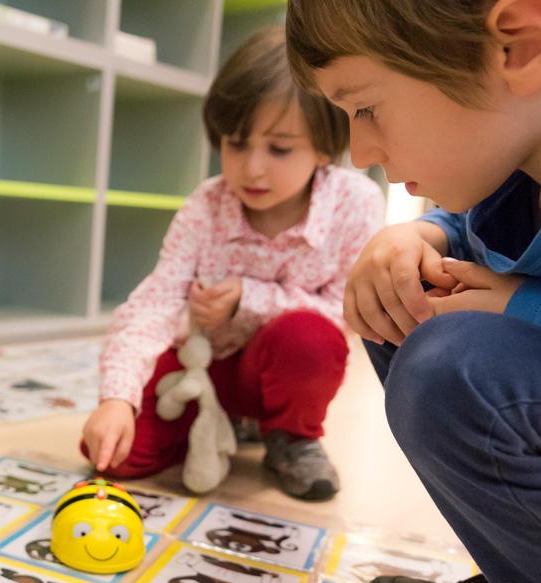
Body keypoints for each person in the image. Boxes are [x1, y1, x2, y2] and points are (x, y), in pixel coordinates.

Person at [286, 0, 541, 583]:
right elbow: (487, 224)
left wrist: (528, 309)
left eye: (366, 108)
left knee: (453, 368)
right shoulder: (539, 153)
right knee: (403, 301)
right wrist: (425, 232)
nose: (362, 151)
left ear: (519, 47)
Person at [80, 26, 385, 501]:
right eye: (236, 143)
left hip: (285, 374)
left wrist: (250, 296)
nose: (252, 168)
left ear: (325, 146)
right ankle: (226, 422)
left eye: (279, 148)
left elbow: (348, 315)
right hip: (205, 370)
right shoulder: (207, 203)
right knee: (113, 452)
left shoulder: (356, 203)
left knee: (308, 337)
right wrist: (115, 398)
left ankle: (290, 437)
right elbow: (155, 303)